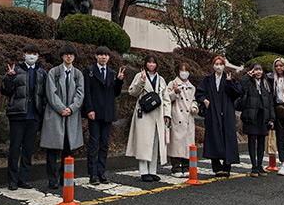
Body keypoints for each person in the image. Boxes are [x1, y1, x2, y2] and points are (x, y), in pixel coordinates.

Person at [1, 43, 47, 190]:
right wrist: (9, 78)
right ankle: (12, 180)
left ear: (38, 56)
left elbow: (44, 95)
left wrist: (42, 113)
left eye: (34, 53)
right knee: (15, 148)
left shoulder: (41, 73)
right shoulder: (16, 70)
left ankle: (24, 178)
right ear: (23, 55)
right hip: (17, 114)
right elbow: (5, 91)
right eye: (28, 53)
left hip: (34, 116)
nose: (31, 56)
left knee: (28, 149)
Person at [39, 44, 84, 189]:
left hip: (71, 115)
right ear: (62, 56)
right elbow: (50, 93)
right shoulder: (54, 72)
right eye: (66, 54)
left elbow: (80, 94)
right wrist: (61, 108)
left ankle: (65, 177)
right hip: (54, 114)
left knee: (67, 148)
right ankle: (52, 179)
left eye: (71, 54)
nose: (69, 56)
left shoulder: (78, 74)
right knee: (52, 148)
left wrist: (71, 109)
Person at [126, 53, 171, 182]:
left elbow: (166, 98)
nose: (151, 65)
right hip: (143, 114)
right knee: (143, 143)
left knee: (155, 142)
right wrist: (142, 81)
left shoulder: (161, 79)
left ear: (156, 65)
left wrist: (167, 114)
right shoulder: (139, 76)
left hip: (158, 114)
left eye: (154, 62)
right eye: (149, 62)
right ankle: (143, 171)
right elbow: (132, 92)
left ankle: (152, 170)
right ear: (145, 63)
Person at [83, 46, 125, 185]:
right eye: (101, 55)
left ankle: (101, 172)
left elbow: (116, 93)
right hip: (94, 112)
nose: (103, 57)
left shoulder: (113, 73)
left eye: (106, 55)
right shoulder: (89, 71)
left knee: (104, 144)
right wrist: (89, 109)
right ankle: (92, 174)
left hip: (108, 113)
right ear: (96, 56)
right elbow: (87, 92)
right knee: (94, 143)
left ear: (109, 57)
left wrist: (119, 81)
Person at [195, 55, 241, 177]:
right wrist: (204, 100)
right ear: (213, 65)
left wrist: (230, 83)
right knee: (213, 137)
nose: (219, 66)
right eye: (216, 64)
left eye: (221, 64)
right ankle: (216, 167)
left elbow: (237, 93)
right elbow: (199, 93)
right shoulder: (208, 79)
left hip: (227, 112)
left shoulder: (229, 78)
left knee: (228, 137)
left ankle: (227, 166)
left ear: (224, 66)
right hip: (213, 112)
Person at [236, 62, 274, 177]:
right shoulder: (249, 82)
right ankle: (254, 166)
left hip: (263, 116)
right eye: (256, 70)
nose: (258, 72)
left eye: (260, 70)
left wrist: (272, 118)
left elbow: (271, 102)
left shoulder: (266, 84)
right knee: (252, 141)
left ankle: (260, 165)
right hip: (251, 115)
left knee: (262, 141)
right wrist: (248, 75)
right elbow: (241, 87)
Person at [166, 63, 198, 178]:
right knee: (176, 143)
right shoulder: (172, 83)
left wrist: (195, 107)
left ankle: (186, 167)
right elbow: (167, 98)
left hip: (188, 117)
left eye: (186, 70)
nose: (184, 72)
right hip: (177, 117)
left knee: (187, 143)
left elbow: (194, 100)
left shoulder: (192, 87)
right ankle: (176, 168)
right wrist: (175, 92)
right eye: (182, 70)